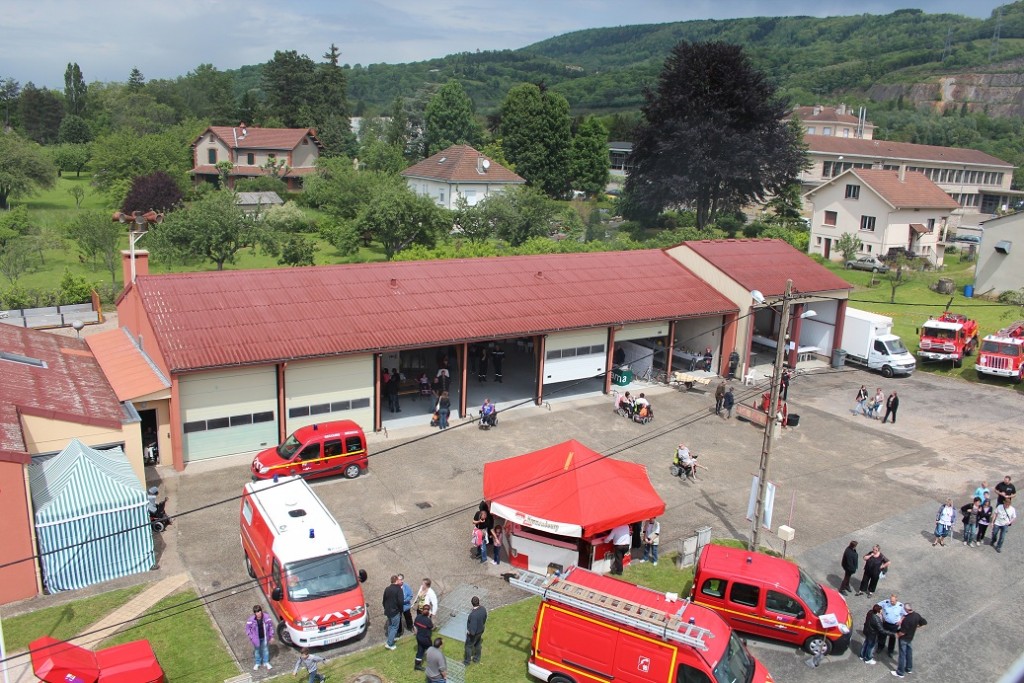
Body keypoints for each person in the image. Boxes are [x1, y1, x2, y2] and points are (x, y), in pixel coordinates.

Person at [892, 603, 926, 678]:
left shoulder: (907, 620)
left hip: (904, 639)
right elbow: (924, 622)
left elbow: (902, 632)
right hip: (910, 637)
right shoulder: (917, 615)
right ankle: (909, 668)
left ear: (906, 609)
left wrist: (897, 635)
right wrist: (917, 626)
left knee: (902, 655)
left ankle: (900, 672)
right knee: (909, 653)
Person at [245, 604, 274, 671]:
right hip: (256, 639)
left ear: (261, 611)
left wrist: (271, 636)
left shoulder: (266, 617)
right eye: (256, 612)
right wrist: (251, 636)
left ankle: (266, 662)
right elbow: (247, 629)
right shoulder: (251, 619)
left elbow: (270, 627)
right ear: (254, 613)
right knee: (257, 651)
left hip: (264, 638)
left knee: (265, 650)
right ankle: (258, 663)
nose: (258, 614)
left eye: (259, 611)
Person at [877, 594, 907, 658]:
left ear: (896, 600)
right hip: (885, 623)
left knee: (892, 638)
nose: (891, 602)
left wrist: (901, 620)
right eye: (891, 601)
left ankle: (890, 651)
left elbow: (905, 614)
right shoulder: (886, 602)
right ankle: (880, 647)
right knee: (882, 635)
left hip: (894, 625)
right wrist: (881, 614)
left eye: (893, 601)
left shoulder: (900, 606)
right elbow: (877, 606)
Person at [463, 596, 487, 666]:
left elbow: (472, 630)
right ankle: (477, 658)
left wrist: (469, 633)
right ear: (478, 602)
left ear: (472, 603)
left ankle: (467, 662)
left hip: (474, 634)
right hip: (481, 630)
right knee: (477, 644)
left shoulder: (473, 615)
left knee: (468, 646)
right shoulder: (483, 609)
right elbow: (485, 618)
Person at [383, 575, 405, 650]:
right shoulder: (399, 589)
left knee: (390, 625)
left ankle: (390, 639)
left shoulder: (387, 589)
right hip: (395, 611)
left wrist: (386, 608)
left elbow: (384, 601)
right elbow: (401, 602)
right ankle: (390, 644)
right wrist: (400, 610)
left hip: (388, 611)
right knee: (394, 627)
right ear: (396, 581)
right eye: (398, 580)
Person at [413, 604, 433, 671]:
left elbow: (415, 626)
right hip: (426, 639)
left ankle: (417, 666)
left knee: (420, 651)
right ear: (429, 611)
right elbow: (432, 627)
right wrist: (430, 618)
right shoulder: (428, 620)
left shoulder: (418, 617)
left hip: (419, 637)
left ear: (422, 610)